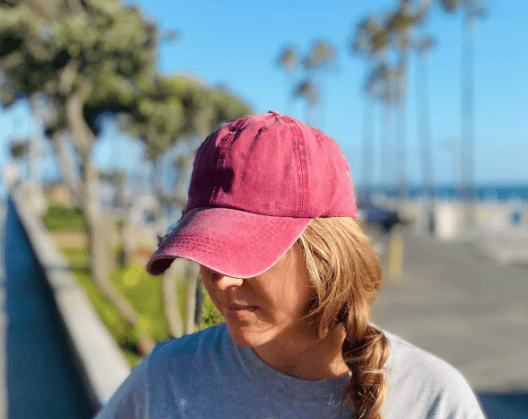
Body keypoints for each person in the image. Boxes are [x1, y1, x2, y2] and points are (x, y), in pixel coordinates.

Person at [95, 112, 485, 419]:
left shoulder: (433, 400)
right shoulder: (167, 377)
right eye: (207, 250)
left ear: (326, 256)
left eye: (246, 252)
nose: (222, 280)